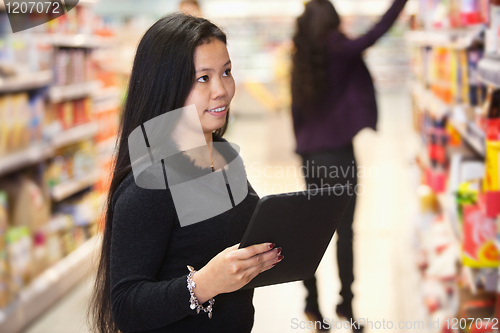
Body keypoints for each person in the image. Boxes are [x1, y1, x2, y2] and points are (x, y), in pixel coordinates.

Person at [88, 14, 284, 333]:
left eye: (226, 72)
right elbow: (126, 307)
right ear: (166, 86)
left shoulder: (222, 157)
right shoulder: (148, 183)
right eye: (203, 78)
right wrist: (203, 284)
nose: (221, 89)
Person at [290, 0, 408, 331]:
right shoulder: (338, 49)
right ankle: (348, 307)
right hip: (339, 155)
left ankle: (312, 306)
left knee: (312, 233)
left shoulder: (301, 55)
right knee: (345, 233)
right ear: (331, 20)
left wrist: (302, 149)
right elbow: (375, 34)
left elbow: (296, 112)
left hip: (310, 156)